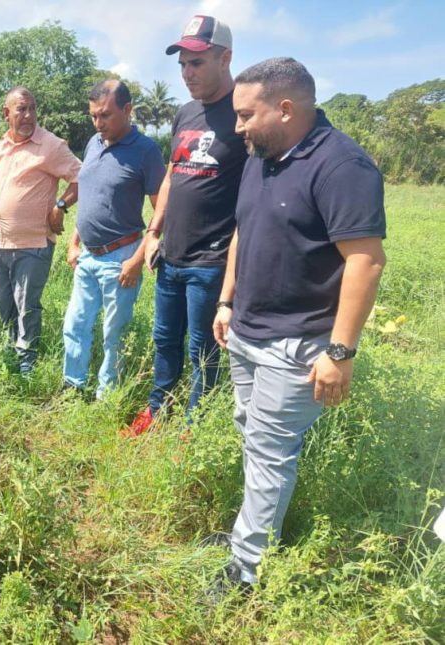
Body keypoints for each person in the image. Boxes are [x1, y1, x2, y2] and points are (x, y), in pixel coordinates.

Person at [208, 57, 386, 601]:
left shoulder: (342, 165)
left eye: (245, 116)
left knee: (267, 451)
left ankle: (246, 569)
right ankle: (253, 533)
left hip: (298, 343)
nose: (236, 128)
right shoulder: (263, 156)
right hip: (247, 331)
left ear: (285, 109)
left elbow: (365, 260)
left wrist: (340, 351)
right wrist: (226, 301)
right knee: (250, 433)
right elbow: (244, 230)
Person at [125, 15, 247, 436]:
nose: (186, 73)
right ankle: (157, 411)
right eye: (182, 63)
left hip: (212, 261)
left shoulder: (244, 116)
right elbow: (173, 175)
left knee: (202, 351)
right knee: (164, 341)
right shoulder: (184, 113)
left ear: (225, 58)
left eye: (196, 62)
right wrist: (154, 231)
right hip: (171, 255)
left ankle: (193, 429)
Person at [62, 80, 165, 399]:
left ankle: (107, 397)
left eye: (105, 115)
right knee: (75, 324)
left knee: (114, 333)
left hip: (121, 257)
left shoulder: (146, 151)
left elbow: (161, 207)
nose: (98, 123)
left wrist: (137, 259)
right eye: (93, 116)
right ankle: (73, 387)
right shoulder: (94, 143)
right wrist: (73, 241)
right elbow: (89, 194)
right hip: (88, 257)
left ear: (127, 110)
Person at [0, 87, 81, 375]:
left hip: (34, 244)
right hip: (0, 242)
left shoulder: (50, 145)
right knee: (4, 304)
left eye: (32, 108)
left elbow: (81, 178)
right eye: (21, 109)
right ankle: (10, 352)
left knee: (28, 306)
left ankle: (27, 364)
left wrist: (60, 205)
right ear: (6, 113)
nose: (28, 115)